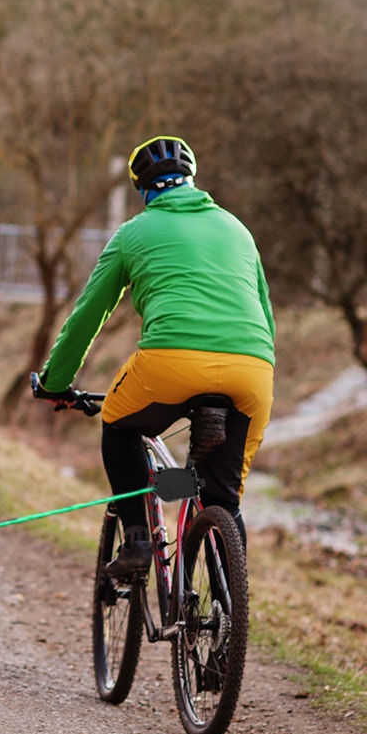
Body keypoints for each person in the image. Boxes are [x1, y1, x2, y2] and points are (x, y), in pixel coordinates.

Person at [33, 135, 275, 577]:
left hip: (171, 364)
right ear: (192, 179)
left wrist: (54, 383)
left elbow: (89, 315)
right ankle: (227, 602)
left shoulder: (133, 233)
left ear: (142, 188)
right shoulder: (237, 228)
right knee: (224, 496)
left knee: (119, 426)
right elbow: (265, 311)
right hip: (252, 370)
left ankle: (139, 542)